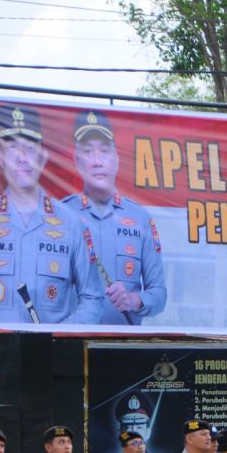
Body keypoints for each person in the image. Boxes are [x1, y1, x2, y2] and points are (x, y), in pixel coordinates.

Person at [0, 105, 102, 324]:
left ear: (43, 157)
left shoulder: (70, 223)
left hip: (54, 346)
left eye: (30, 148)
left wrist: (59, 336)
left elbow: (93, 299)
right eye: (12, 147)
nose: (22, 158)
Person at [62, 109, 166, 325]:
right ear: (76, 160)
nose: (97, 161)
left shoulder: (140, 219)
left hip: (122, 342)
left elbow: (159, 294)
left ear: (117, 159)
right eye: (88, 151)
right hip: (72, 341)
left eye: (104, 151)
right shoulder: (60, 216)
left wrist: (135, 300)